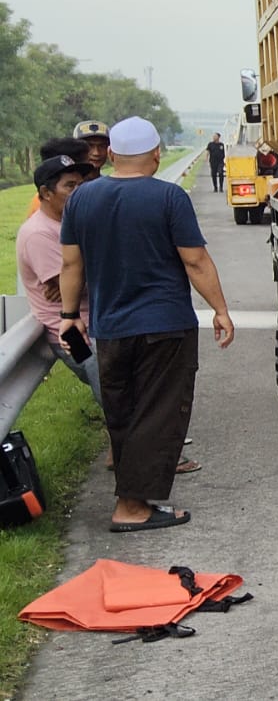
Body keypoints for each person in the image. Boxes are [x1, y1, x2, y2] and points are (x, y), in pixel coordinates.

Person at [57, 117, 234, 533]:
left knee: (124, 411)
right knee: (160, 413)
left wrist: (70, 318)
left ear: (113, 154)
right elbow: (195, 260)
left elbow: (70, 263)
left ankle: (129, 498)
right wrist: (220, 310)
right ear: (156, 154)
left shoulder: (82, 199)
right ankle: (132, 507)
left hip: (110, 327)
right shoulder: (169, 198)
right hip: (165, 326)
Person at [16, 154, 100, 406]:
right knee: (114, 398)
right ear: (46, 192)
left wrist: (77, 276)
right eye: (69, 186)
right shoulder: (39, 233)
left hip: (95, 322)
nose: (78, 192)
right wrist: (80, 277)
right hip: (72, 336)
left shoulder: (73, 223)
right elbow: (76, 286)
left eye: (80, 185)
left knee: (127, 397)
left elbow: (74, 281)